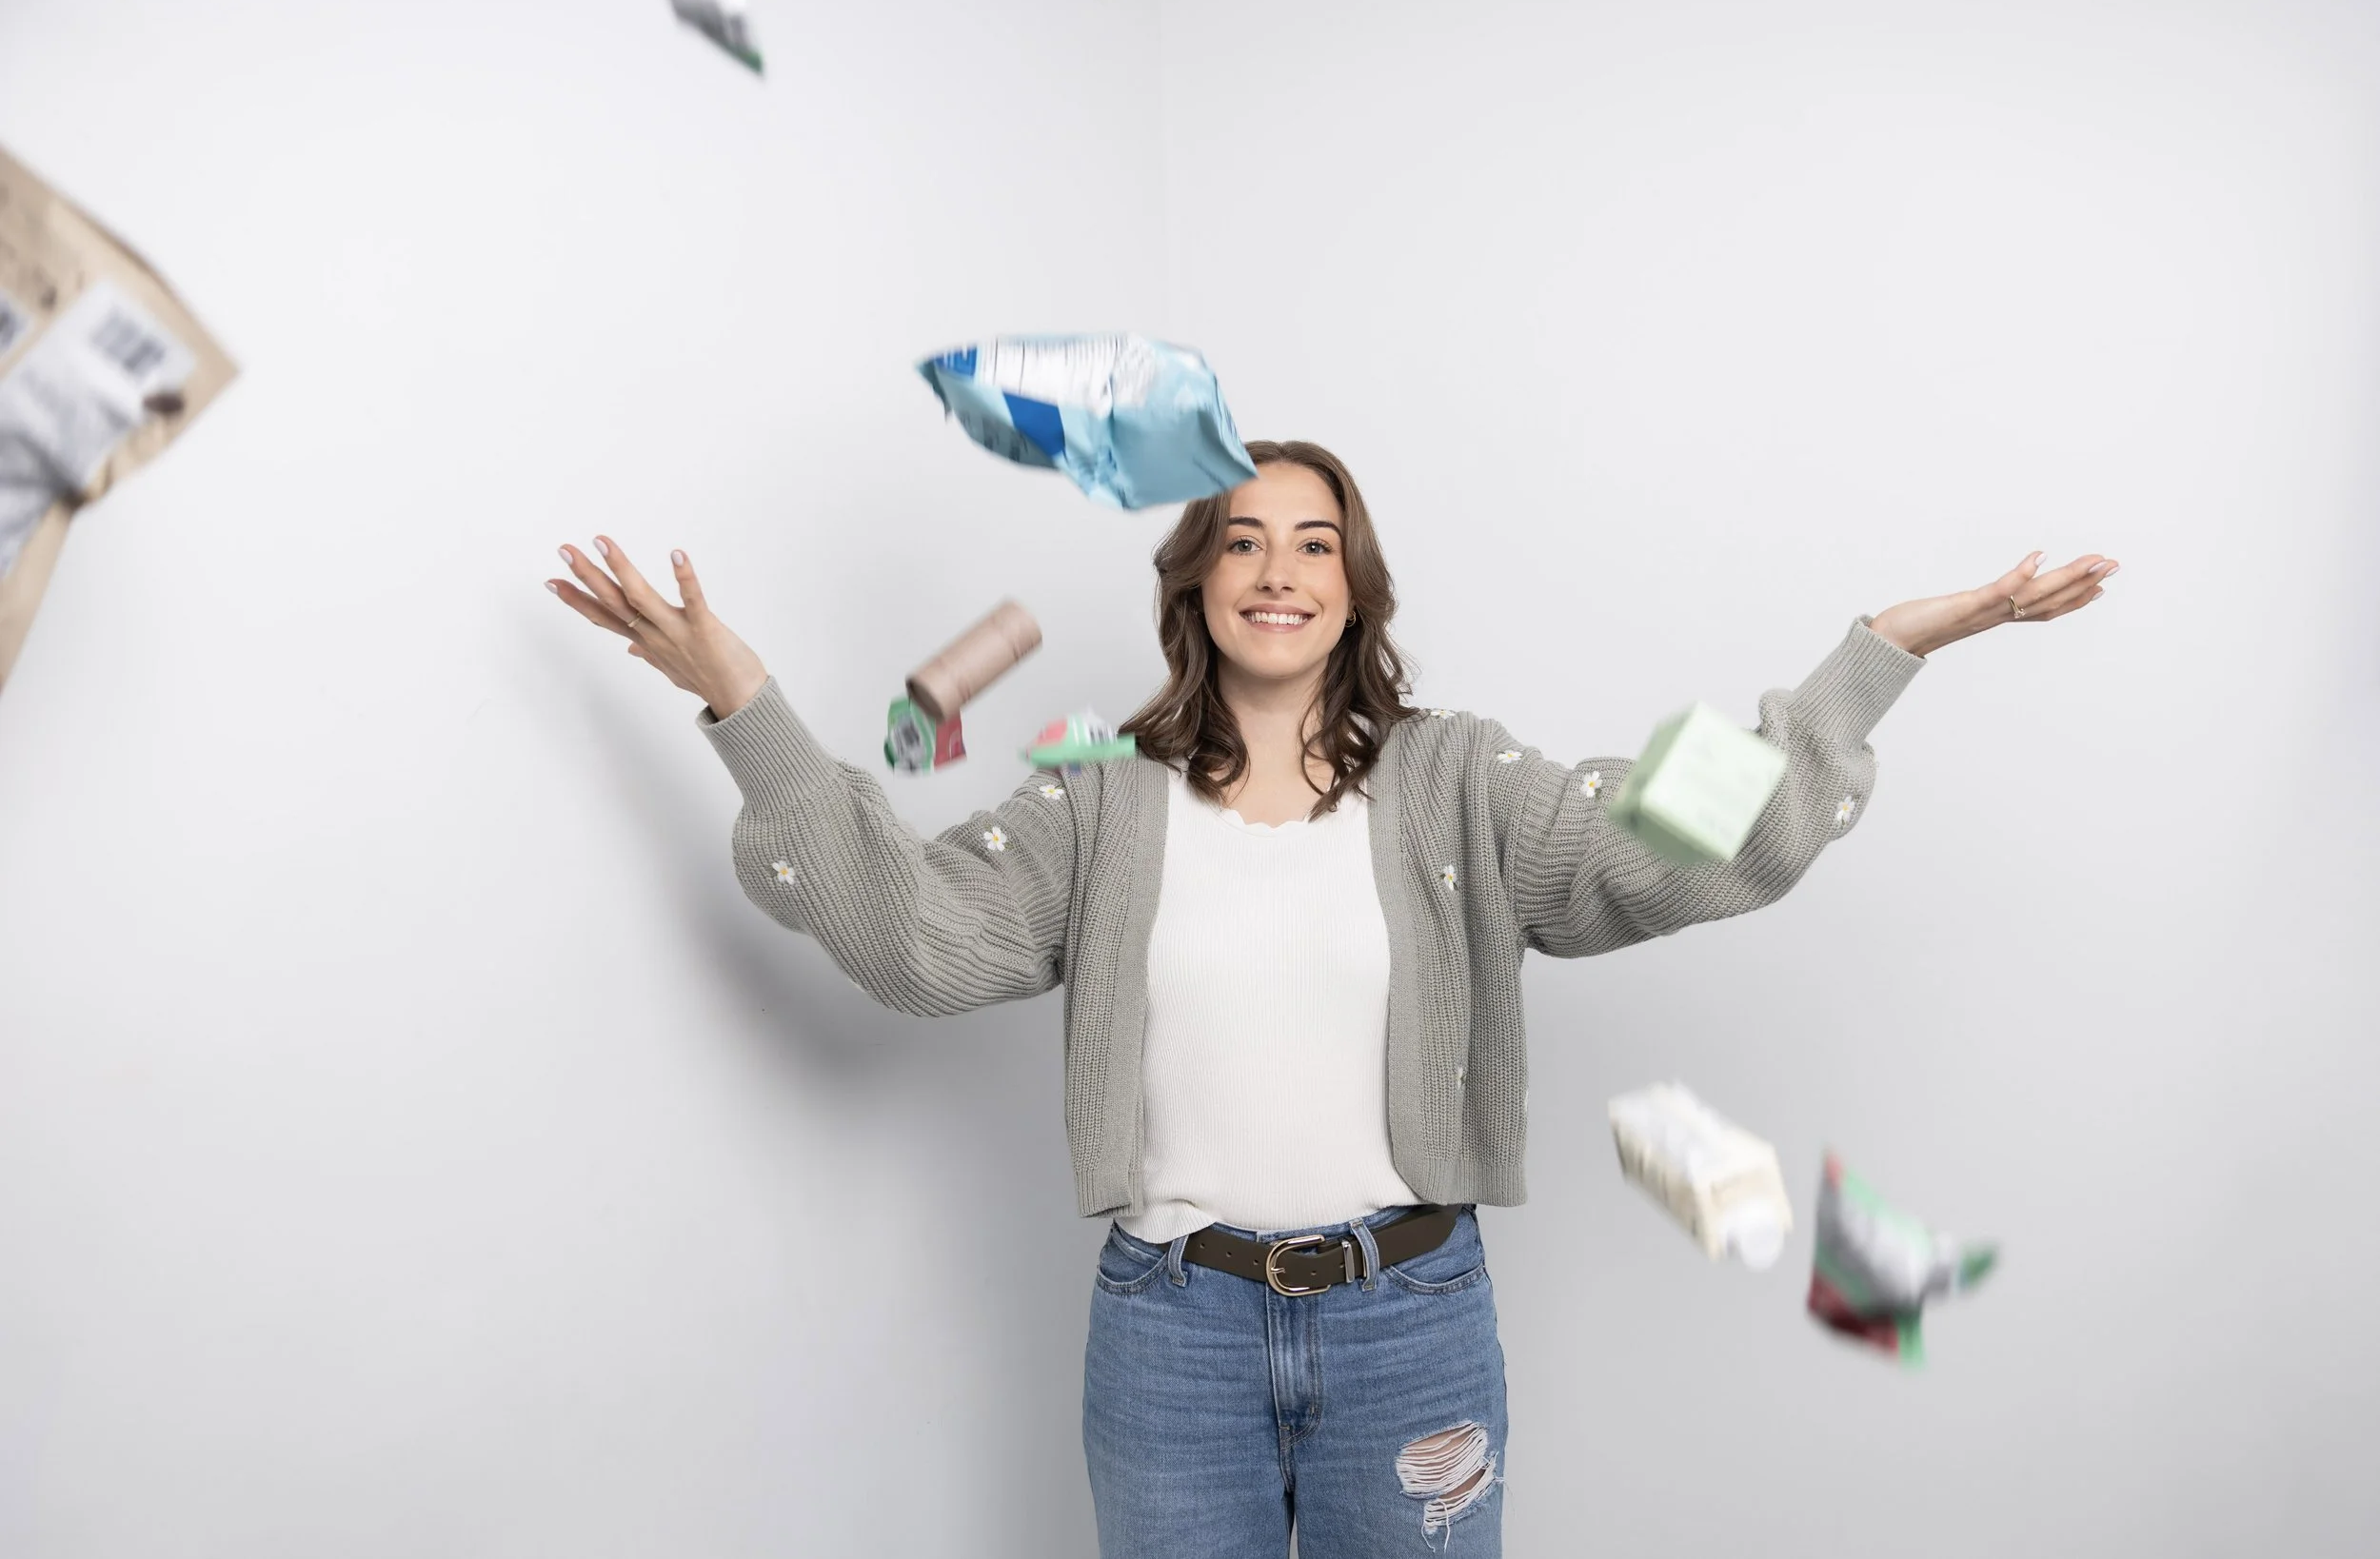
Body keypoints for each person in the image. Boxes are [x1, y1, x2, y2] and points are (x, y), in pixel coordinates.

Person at [545, 440, 2116, 1557]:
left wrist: (1872, 658)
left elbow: (1672, 828)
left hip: (1410, 1326)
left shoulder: (1458, 778)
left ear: (1356, 589)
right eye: (1242, 539)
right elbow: (914, 937)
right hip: (1170, 1333)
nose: (1280, 569)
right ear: (1196, 582)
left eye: (1314, 541)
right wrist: (744, 701)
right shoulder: (1098, 796)